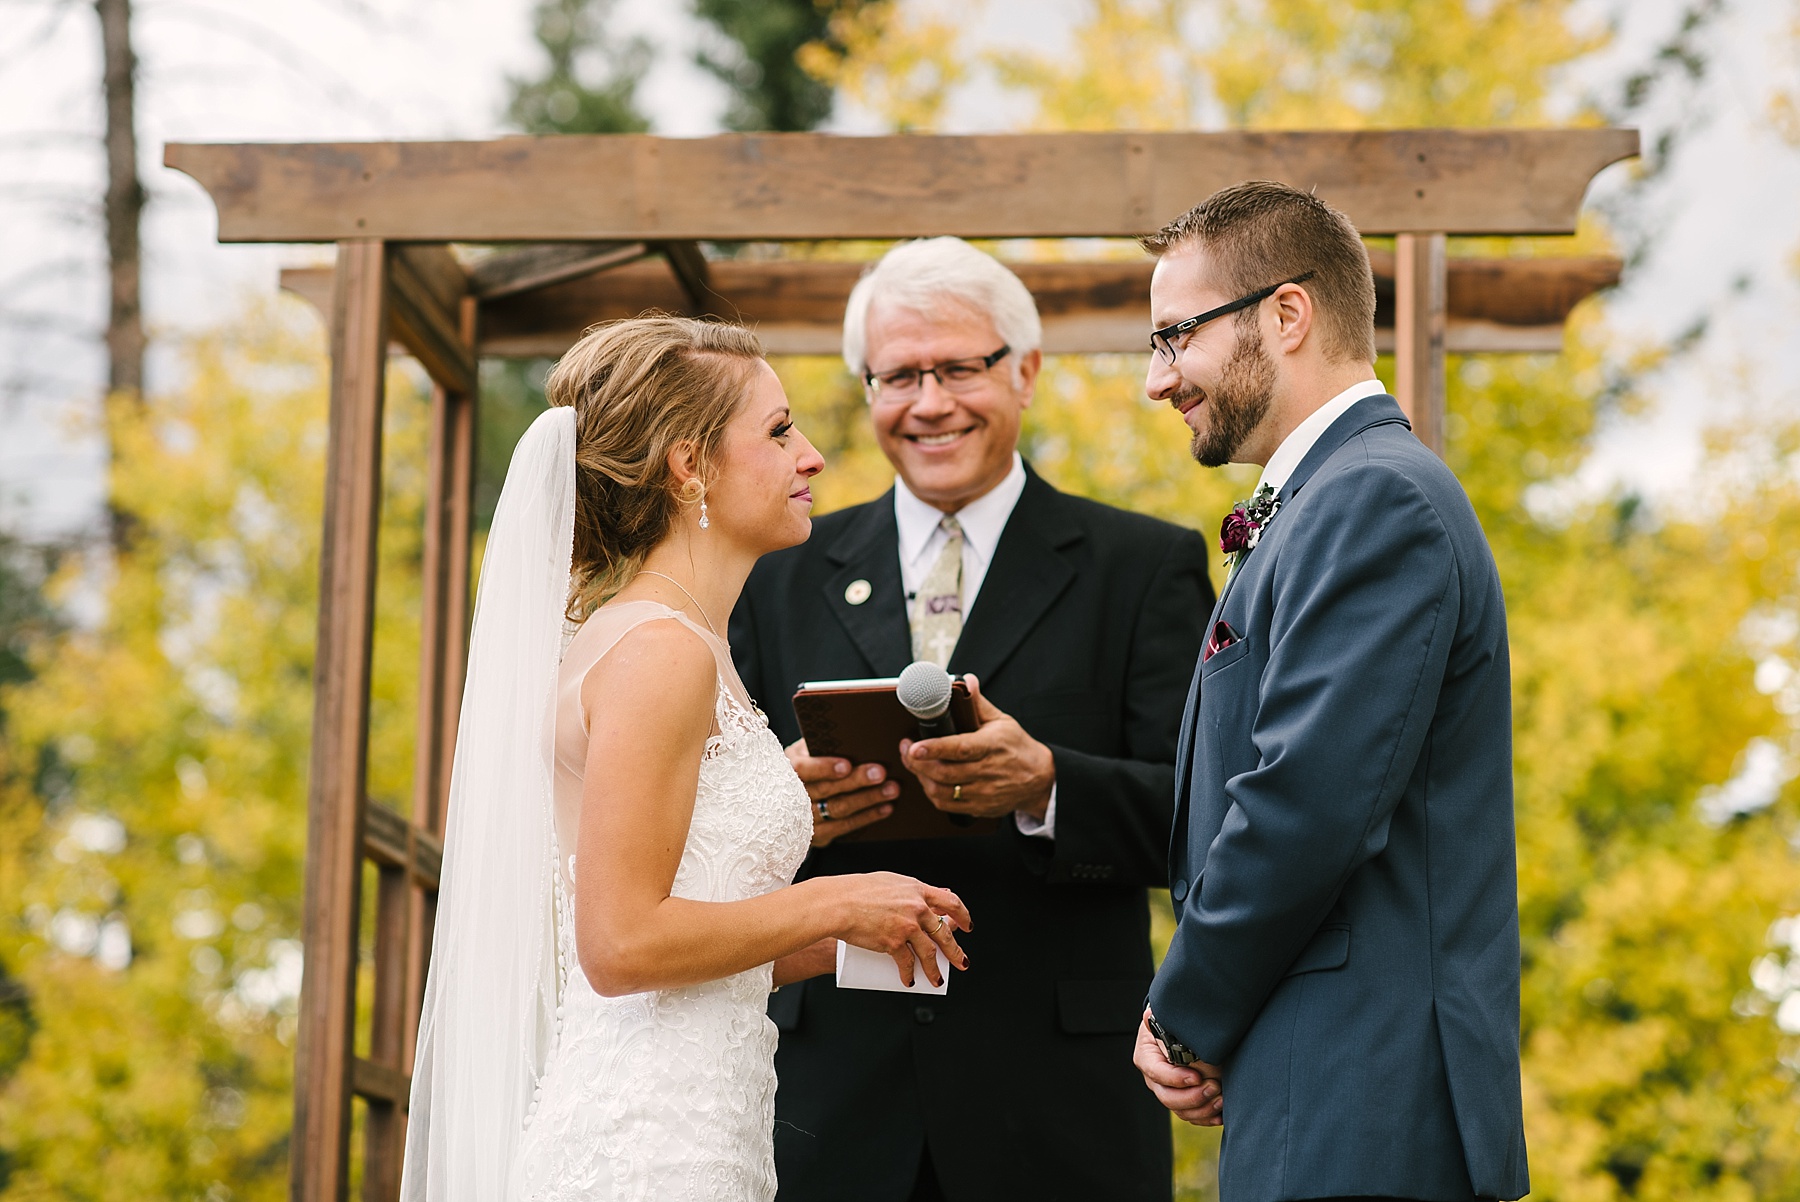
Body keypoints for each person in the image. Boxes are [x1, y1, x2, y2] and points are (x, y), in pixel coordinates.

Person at [400, 316, 974, 1202]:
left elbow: (679, 946)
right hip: (646, 1150)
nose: (813, 456)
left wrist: (839, 939)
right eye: (780, 431)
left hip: (700, 1125)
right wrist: (834, 895)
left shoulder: (676, 641)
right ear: (687, 465)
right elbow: (620, 946)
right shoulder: (662, 651)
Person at [730, 237, 1215, 1202]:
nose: (929, 401)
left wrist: (1048, 786)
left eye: (959, 367)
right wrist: (779, 801)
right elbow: (696, 823)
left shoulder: (1143, 566)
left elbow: (1202, 818)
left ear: (1026, 372)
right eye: (898, 374)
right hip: (830, 1094)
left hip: (1060, 1101)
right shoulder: (773, 573)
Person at [1133, 181, 1529, 1202]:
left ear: (1288, 313)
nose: (1156, 378)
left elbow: (1303, 802)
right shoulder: (1334, 498)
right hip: (1324, 1082)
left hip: (1364, 1098)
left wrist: (1184, 1009)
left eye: (1176, 335)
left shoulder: (1373, 499)